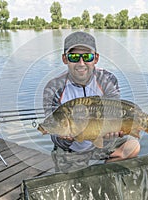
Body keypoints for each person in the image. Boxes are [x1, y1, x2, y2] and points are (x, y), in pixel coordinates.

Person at [42, 31, 140, 173]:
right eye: (74, 57)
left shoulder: (107, 79)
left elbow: (114, 112)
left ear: (96, 58)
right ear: (65, 59)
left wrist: (115, 131)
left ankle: (103, 172)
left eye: (87, 56)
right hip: (71, 150)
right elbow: (55, 136)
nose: (81, 63)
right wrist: (67, 138)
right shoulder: (53, 87)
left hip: (101, 143)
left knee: (132, 146)